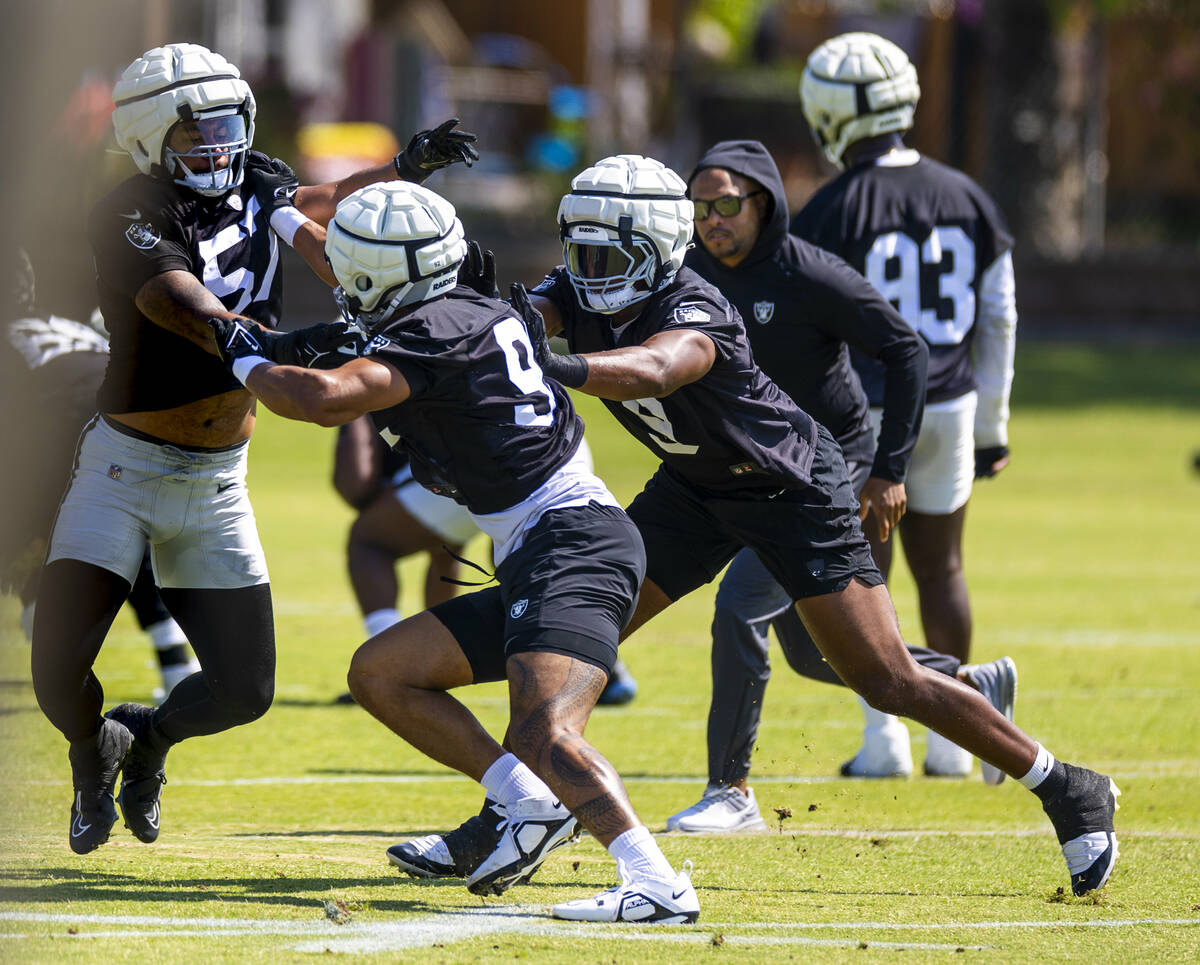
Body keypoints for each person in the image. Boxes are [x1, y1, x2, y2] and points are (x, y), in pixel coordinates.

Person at [425, 153, 1117, 900]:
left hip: (790, 488)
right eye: (580, 249)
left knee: (885, 677)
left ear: (657, 247)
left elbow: (657, 369)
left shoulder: (698, 306)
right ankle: (513, 815)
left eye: (608, 253)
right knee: (576, 630)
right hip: (693, 490)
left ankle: (1067, 785)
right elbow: (508, 328)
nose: (588, 270)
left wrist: (553, 364)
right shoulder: (580, 286)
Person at [30, 41, 477, 856]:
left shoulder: (255, 175)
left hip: (217, 479)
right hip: (123, 466)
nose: (219, 147)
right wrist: (283, 343)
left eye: (227, 126)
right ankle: (92, 745)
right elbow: (183, 304)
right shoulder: (128, 207)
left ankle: (148, 736)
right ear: (146, 138)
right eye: (195, 134)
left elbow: (325, 200)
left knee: (246, 690)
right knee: (56, 673)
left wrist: (403, 168)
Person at [209, 178, 698, 923]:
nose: (341, 276)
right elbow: (354, 296)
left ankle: (655, 879)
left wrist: (242, 354)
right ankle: (522, 802)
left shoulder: (428, 331)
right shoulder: (462, 305)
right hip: (547, 541)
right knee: (382, 672)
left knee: (545, 730)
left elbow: (321, 399)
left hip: (572, 542)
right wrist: (278, 213)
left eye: (352, 266)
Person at [666, 141, 1018, 834]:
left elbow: (906, 350)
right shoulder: (691, 275)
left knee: (740, 606)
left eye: (726, 204)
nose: (712, 219)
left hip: (828, 465)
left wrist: (889, 468)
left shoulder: (810, 272)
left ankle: (729, 791)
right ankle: (967, 681)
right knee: (808, 647)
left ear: (761, 203)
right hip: (756, 472)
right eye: (700, 207)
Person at [792, 32, 1020, 778]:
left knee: (865, 577)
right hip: (951, 404)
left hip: (863, 416)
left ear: (827, 115)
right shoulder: (967, 195)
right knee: (943, 567)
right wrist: (993, 424)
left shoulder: (831, 207)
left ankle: (884, 740)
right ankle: (953, 745)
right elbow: (999, 313)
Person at [1, 246, 200, 699]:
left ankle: (49, 639)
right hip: (154, 433)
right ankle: (175, 665)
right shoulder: (66, 328)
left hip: (81, 441)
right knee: (117, 540)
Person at [331, 414, 637, 705]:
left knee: (369, 541)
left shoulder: (383, 362)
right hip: (563, 442)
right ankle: (603, 664)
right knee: (528, 564)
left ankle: (387, 664)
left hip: (486, 451)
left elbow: (356, 483)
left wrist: (353, 416)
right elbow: (445, 550)